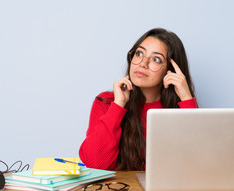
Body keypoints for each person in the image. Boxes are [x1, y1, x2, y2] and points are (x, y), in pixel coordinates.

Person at [79, 28, 197, 171]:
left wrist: (186, 98)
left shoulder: (180, 109)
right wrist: (118, 106)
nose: (143, 63)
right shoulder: (106, 101)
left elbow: (200, 164)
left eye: (156, 59)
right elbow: (95, 164)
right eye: (139, 53)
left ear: (170, 70)